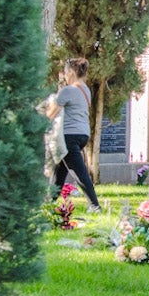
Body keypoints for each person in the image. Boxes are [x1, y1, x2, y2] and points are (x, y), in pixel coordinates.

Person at [47, 57, 101, 212]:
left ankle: (94, 205)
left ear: (71, 72)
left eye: (65, 73)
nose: (64, 75)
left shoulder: (67, 90)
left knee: (79, 172)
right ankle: (49, 203)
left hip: (68, 136)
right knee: (60, 171)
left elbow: (51, 114)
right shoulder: (86, 90)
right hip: (82, 134)